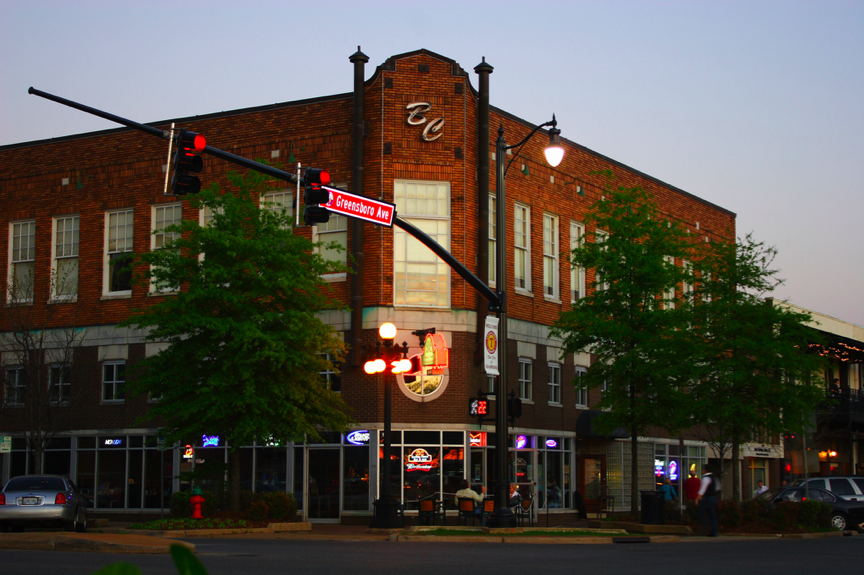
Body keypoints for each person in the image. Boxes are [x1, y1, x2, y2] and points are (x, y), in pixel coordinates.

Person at [695, 465, 721, 537]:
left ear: (705, 470)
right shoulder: (715, 478)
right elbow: (718, 488)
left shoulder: (705, 479)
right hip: (714, 498)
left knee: (700, 512)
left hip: (708, 498)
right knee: (712, 515)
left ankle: (704, 527)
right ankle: (714, 532)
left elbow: (702, 490)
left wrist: (697, 499)